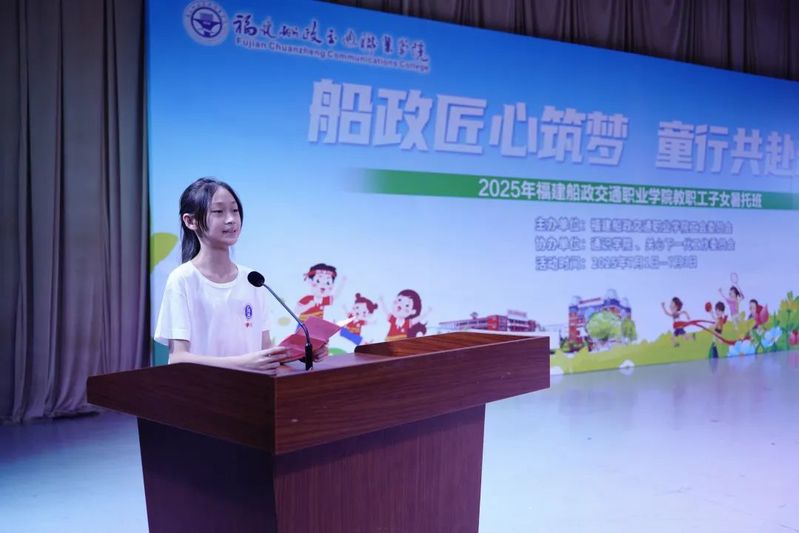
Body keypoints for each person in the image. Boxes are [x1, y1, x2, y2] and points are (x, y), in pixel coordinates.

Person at [155, 177, 326, 374]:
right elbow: (178, 358)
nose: (231, 219)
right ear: (190, 221)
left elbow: (265, 350)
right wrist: (243, 363)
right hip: (204, 390)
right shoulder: (182, 279)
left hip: (254, 389)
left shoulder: (253, 280)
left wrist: (304, 353)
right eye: (218, 211)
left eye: (235, 210)